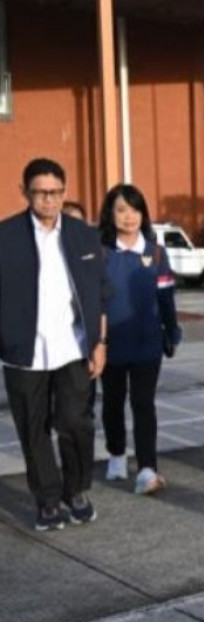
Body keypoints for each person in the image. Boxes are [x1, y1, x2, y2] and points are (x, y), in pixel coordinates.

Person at [0, 158, 110, 531]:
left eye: (55, 192)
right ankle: (47, 501)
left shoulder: (83, 234)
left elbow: (99, 293)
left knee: (75, 423)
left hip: (74, 348)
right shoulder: (6, 236)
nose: (48, 200)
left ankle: (75, 490)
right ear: (25, 193)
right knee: (33, 430)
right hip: (23, 353)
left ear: (64, 191)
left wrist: (100, 342)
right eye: (40, 193)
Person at [99, 184, 181, 495]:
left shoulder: (155, 252)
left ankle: (147, 467)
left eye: (135, 210)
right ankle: (117, 454)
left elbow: (166, 296)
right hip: (110, 343)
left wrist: (171, 331)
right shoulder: (102, 252)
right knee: (113, 402)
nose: (129, 217)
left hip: (147, 343)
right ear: (111, 214)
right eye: (121, 210)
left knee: (143, 403)